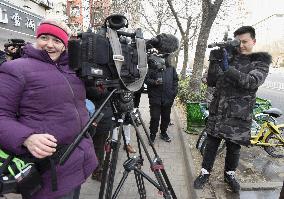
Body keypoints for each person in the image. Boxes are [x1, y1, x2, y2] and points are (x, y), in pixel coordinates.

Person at [0, 19, 98, 199]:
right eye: (44, 37)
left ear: (64, 45)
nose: (50, 45)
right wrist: (27, 137)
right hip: (48, 169)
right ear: (36, 39)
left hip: (78, 160)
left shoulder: (73, 70)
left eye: (57, 41)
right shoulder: (15, 68)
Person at [193, 26, 271, 193]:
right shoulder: (227, 56)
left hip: (239, 116)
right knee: (211, 145)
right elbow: (211, 81)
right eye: (238, 42)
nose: (241, 45)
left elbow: (251, 82)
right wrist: (215, 61)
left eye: (245, 41)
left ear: (253, 41)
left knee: (234, 149)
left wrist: (228, 68)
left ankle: (230, 175)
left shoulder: (260, 62)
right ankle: (204, 173)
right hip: (219, 112)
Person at [145, 54, 179, 143]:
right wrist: (154, 82)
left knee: (166, 118)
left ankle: (163, 133)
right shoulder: (152, 67)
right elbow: (146, 80)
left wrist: (173, 93)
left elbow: (175, 81)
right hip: (155, 98)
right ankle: (152, 135)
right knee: (155, 118)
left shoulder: (171, 69)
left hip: (168, 98)